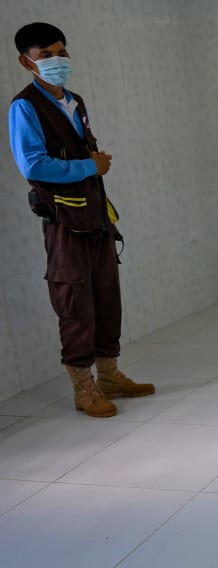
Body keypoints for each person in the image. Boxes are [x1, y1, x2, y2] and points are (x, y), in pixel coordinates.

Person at [8, 22, 154, 418]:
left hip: (96, 217)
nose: (58, 60)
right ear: (26, 61)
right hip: (63, 222)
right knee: (75, 304)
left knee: (108, 297)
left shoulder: (75, 101)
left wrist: (90, 166)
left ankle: (109, 375)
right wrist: (89, 165)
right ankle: (84, 389)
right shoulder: (25, 107)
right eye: (47, 55)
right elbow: (33, 164)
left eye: (62, 52)